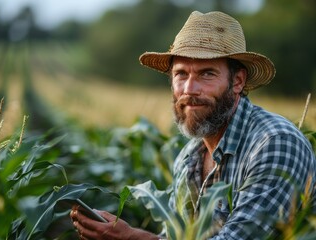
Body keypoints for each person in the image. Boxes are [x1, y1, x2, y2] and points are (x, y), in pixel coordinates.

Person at [70, 11, 316, 239]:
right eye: (181, 74)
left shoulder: (275, 144)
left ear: (238, 81)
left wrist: (131, 237)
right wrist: (124, 233)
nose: (189, 90)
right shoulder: (189, 158)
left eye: (207, 73)